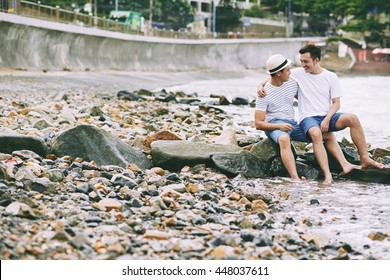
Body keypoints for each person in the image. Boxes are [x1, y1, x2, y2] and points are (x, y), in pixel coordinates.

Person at [257, 45, 384, 181]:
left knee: (350, 120)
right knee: (312, 134)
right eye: (301, 61)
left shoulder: (327, 77)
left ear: (316, 60)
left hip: (315, 118)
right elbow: (275, 77)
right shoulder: (296, 74)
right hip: (303, 119)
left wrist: (327, 119)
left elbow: (336, 103)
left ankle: (363, 159)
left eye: (306, 61)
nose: (302, 65)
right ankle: (320, 176)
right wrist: (260, 85)